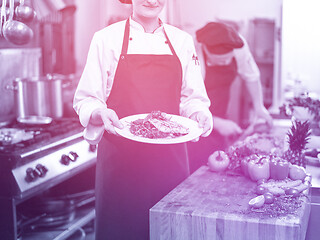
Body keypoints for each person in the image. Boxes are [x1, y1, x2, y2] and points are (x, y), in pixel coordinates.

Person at [73, 0, 213, 239]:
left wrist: (199, 113)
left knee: (169, 231)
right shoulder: (105, 39)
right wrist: (100, 113)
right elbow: (87, 100)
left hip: (170, 163)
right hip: (120, 166)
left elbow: (193, 99)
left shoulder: (182, 41)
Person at [187, 21, 273, 173]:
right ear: (205, 49)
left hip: (220, 110)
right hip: (192, 121)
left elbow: (251, 76)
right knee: (198, 167)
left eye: (228, 59)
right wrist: (217, 123)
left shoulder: (238, 45)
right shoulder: (192, 51)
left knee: (218, 163)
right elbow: (185, 100)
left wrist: (259, 107)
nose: (226, 63)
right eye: (220, 61)